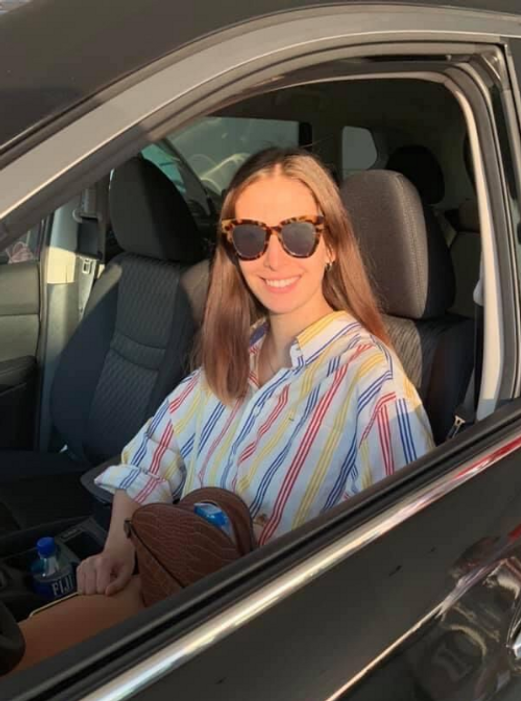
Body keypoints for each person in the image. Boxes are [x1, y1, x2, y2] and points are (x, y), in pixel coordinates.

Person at [12, 147, 435, 672]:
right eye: (252, 236)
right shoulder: (233, 354)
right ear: (234, 248)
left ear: (331, 246)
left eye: (298, 235)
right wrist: (120, 545)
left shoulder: (372, 386)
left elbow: (396, 565)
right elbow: (153, 456)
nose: (273, 258)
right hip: (168, 592)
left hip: (261, 644)